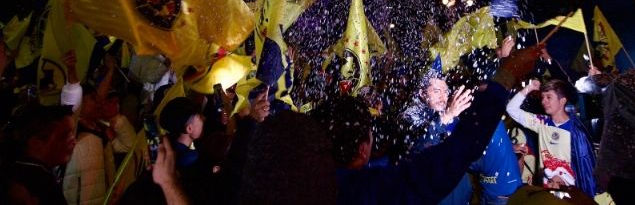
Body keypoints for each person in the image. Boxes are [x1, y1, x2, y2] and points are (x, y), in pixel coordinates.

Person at [237, 45, 539, 205]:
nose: (443, 92)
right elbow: (449, 158)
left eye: (444, 87)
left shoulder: (278, 184)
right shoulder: (364, 190)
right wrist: (505, 77)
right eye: (435, 89)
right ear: (364, 149)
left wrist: (249, 130)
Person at [506, 79, 597, 197]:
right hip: (547, 189)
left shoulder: (576, 131)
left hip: (570, 192)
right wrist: (530, 87)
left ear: (562, 101)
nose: (544, 101)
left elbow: (586, 170)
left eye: (549, 97)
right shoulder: (541, 123)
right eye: (542, 97)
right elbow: (511, 109)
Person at [9, 104, 77, 205]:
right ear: (36, 144)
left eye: (72, 134)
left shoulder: (21, 171)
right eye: (63, 136)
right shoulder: (40, 185)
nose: (73, 141)